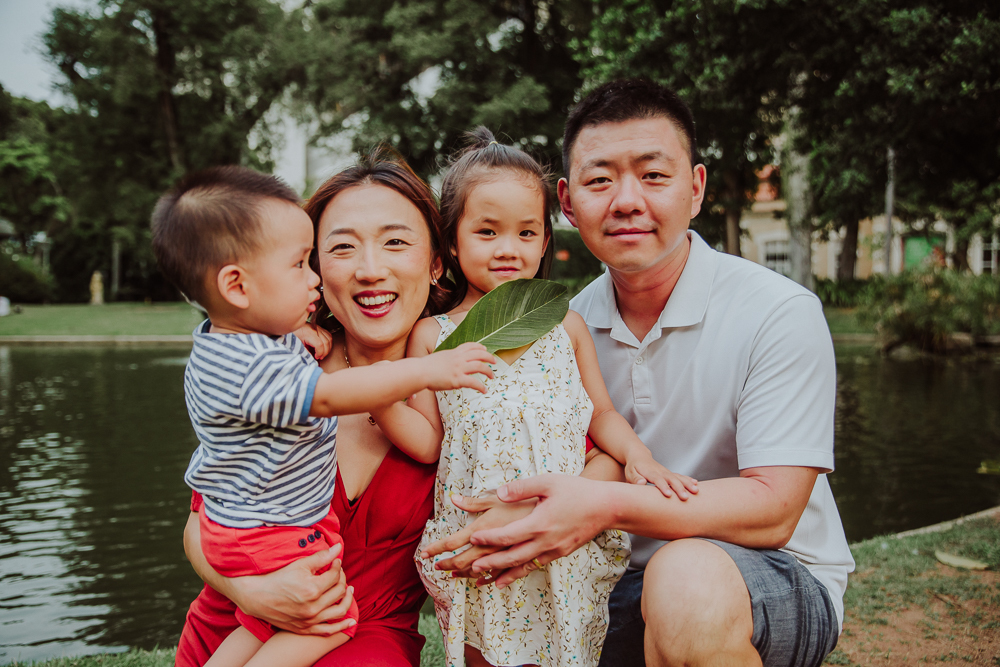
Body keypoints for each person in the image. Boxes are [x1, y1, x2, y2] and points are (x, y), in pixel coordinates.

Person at [424, 80, 855, 667]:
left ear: (696, 188)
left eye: (654, 175)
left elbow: (774, 508)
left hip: (764, 573)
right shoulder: (557, 325)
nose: (627, 200)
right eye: (600, 180)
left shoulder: (776, 311)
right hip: (607, 574)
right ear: (569, 202)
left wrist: (602, 504)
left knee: (683, 578)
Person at [163, 158, 495, 667]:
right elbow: (203, 519)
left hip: (364, 634)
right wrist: (253, 595)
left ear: (435, 263)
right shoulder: (276, 366)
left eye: (396, 242)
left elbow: (585, 453)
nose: (369, 269)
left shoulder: (471, 372)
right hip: (235, 628)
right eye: (341, 246)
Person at [410, 128, 697, 667]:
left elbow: (602, 414)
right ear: (452, 240)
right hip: (480, 537)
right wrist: (380, 396)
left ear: (545, 242)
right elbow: (428, 441)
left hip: (567, 542)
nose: (507, 249)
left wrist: (639, 456)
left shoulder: (566, 327)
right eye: (487, 232)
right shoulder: (434, 337)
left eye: (525, 233)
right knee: (484, 653)